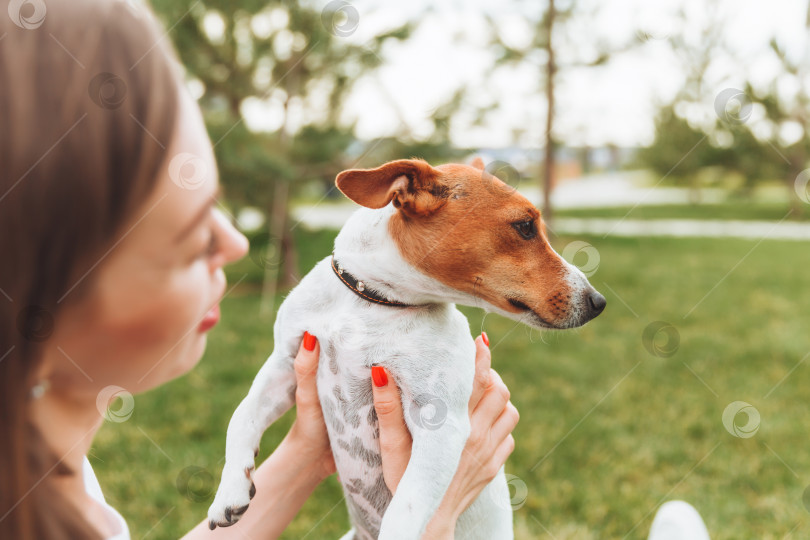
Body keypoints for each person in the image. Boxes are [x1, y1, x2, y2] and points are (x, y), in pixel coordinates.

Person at [0, 1, 518, 539]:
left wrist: (307, 447)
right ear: (42, 276)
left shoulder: (48, 483)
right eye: (192, 230)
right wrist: (439, 510)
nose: (235, 244)